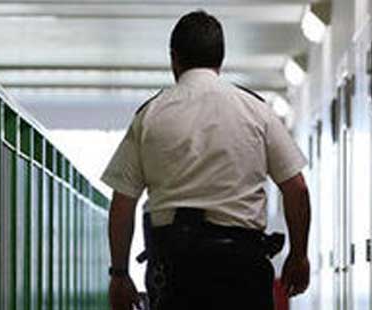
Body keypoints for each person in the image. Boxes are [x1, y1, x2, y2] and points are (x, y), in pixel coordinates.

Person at [101, 10, 312, 310]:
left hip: (175, 271)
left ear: (174, 58)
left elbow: (123, 202)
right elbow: (297, 189)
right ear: (220, 59)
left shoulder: (150, 115)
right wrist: (299, 255)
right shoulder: (256, 111)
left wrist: (119, 275)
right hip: (243, 269)